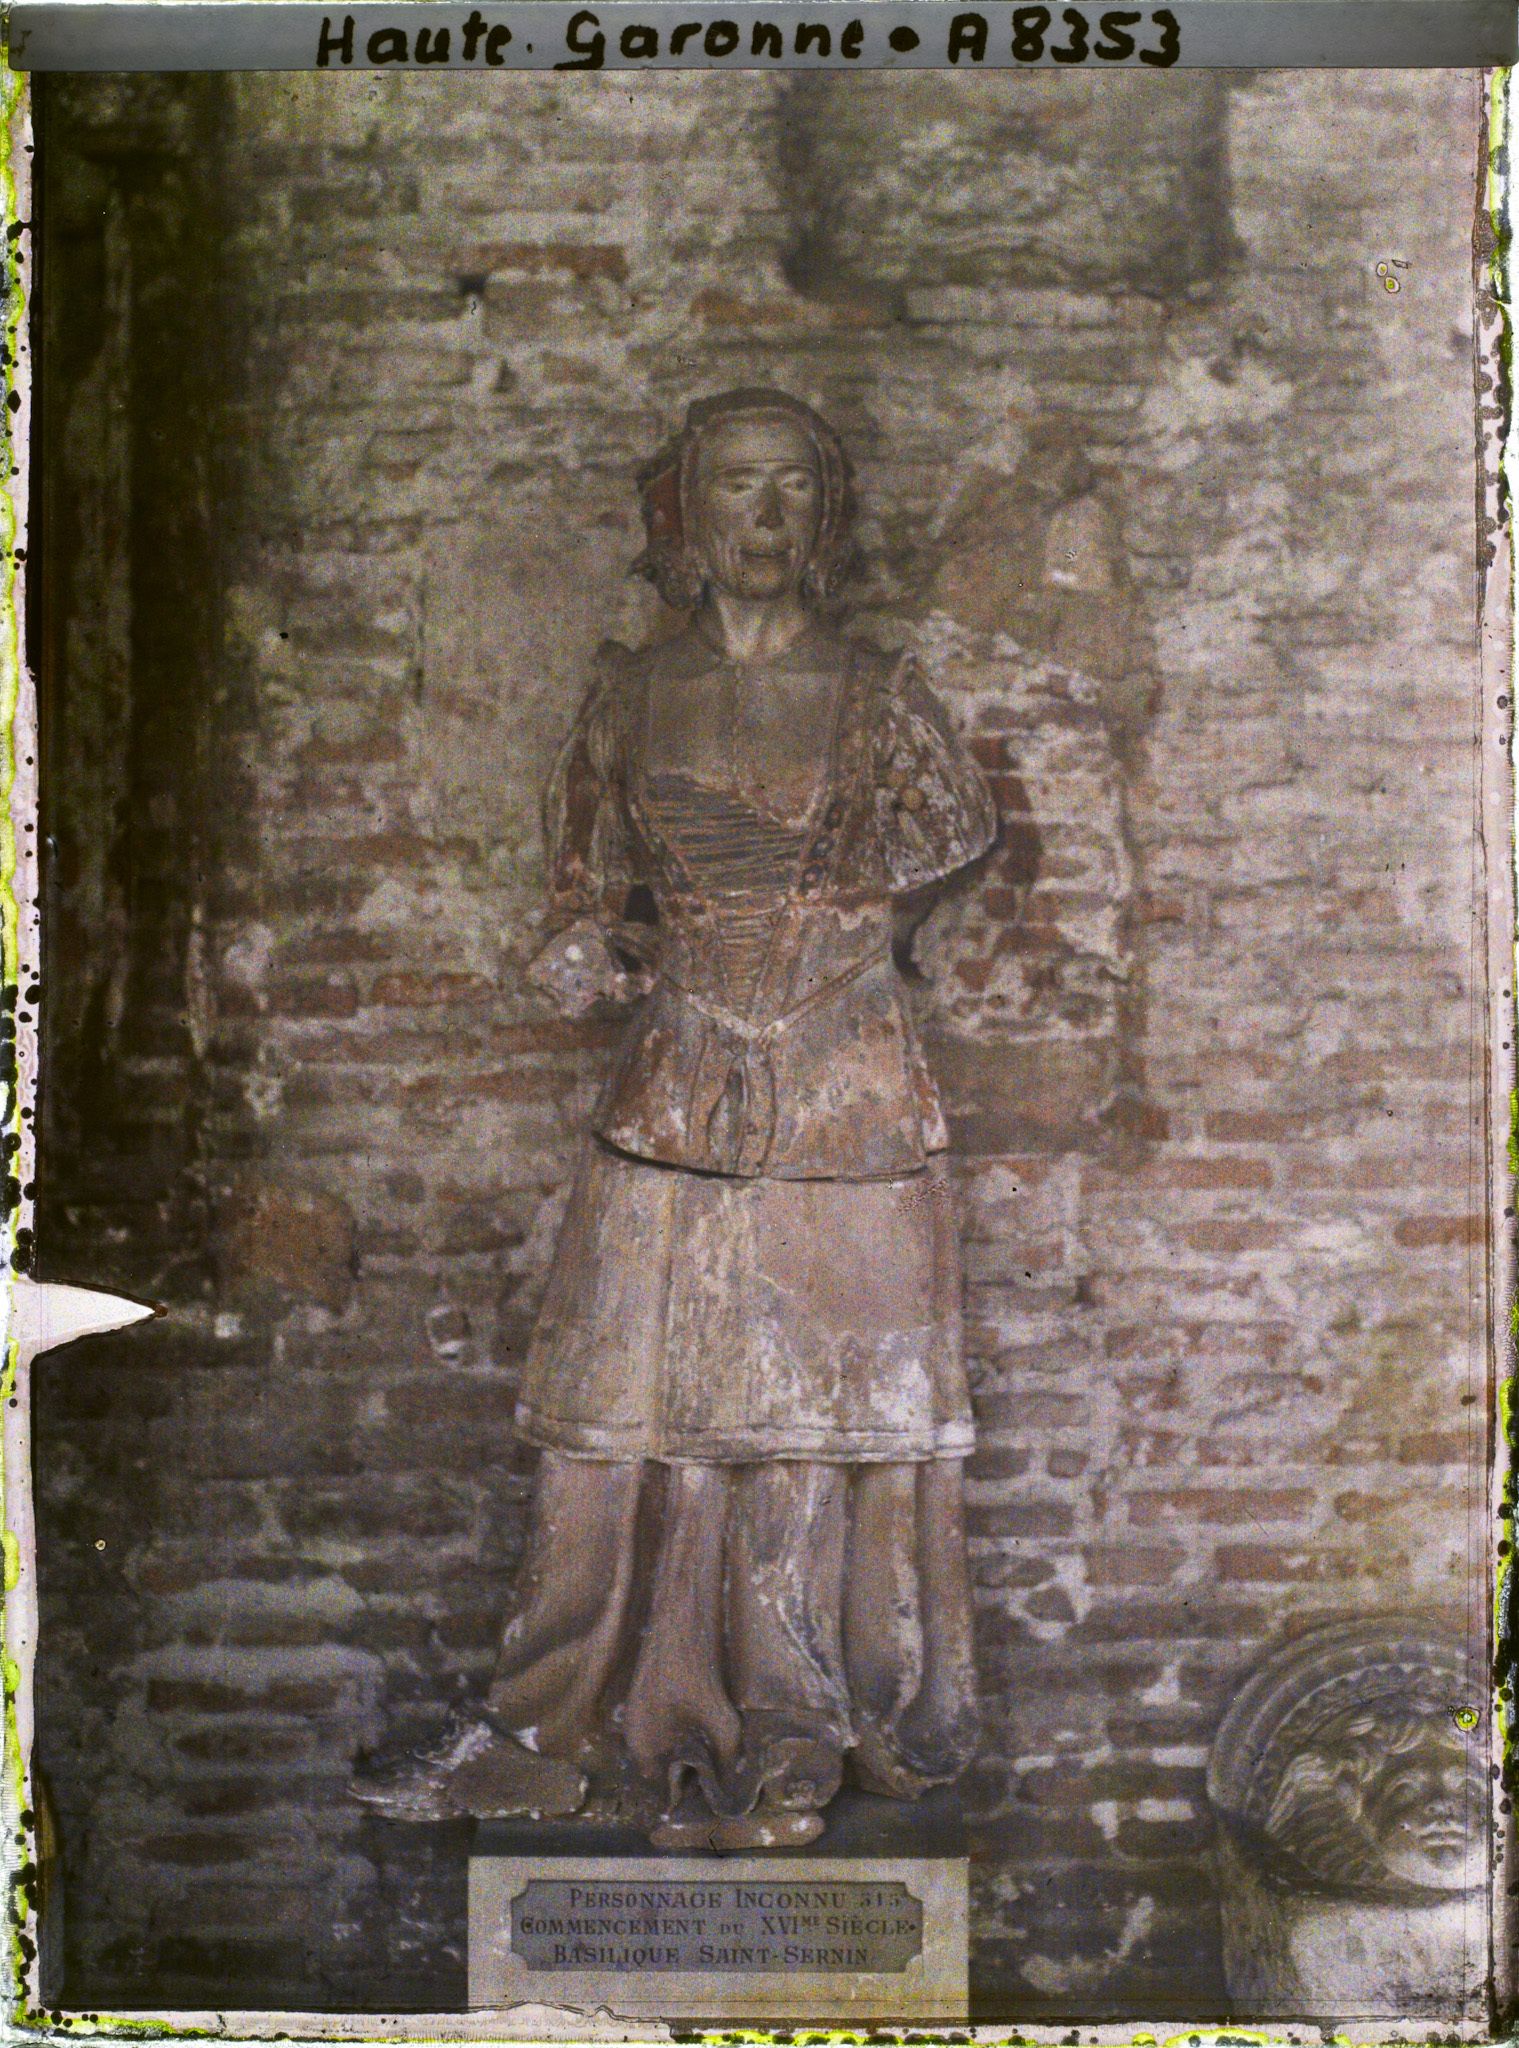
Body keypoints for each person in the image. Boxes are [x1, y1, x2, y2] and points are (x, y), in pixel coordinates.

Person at [354, 387, 997, 1851]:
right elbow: (580, 889)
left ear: (825, 514)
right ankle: (595, 1717)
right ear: (686, 513)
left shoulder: (881, 695)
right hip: (678, 1071)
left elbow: (956, 834)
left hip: (843, 1085)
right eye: (736, 486)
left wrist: (836, 933)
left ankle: (795, 1724)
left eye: (792, 487)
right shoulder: (631, 695)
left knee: (809, 1418)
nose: (764, 517)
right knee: (626, 1409)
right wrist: (583, 947)